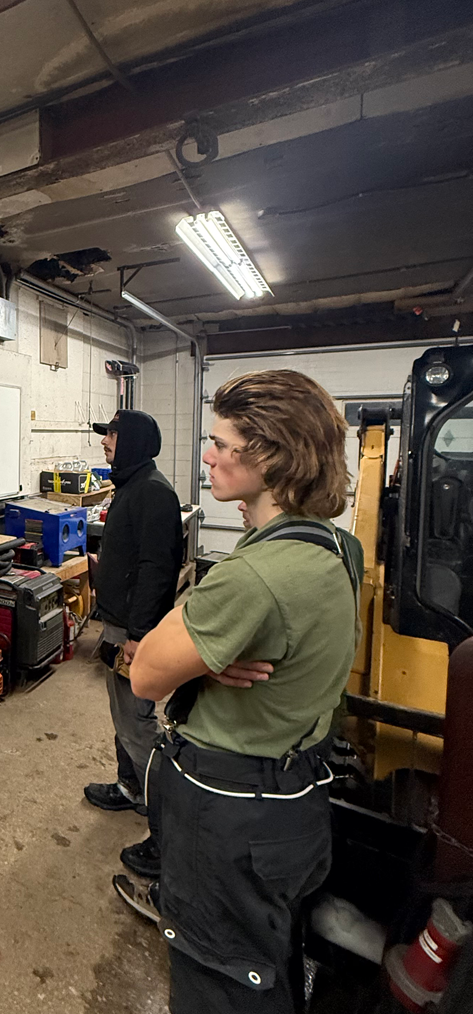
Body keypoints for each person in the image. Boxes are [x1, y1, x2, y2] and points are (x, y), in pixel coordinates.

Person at [122, 370, 363, 1014]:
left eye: (221, 442)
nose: (206, 455)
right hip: (296, 801)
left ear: (272, 456)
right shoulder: (339, 547)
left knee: (219, 983)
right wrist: (211, 653)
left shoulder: (250, 577)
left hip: (228, 818)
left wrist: (199, 653)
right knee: (267, 964)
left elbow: (145, 672)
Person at [83, 410, 183, 877]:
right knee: (122, 716)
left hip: (134, 631)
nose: (105, 443)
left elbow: (157, 571)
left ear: (135, 442)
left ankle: (167, 835)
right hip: (120, 623)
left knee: (138, 723)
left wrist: (140, 636)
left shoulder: (153, 493)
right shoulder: (132, 485)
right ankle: (130, 787)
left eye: (112, 436)